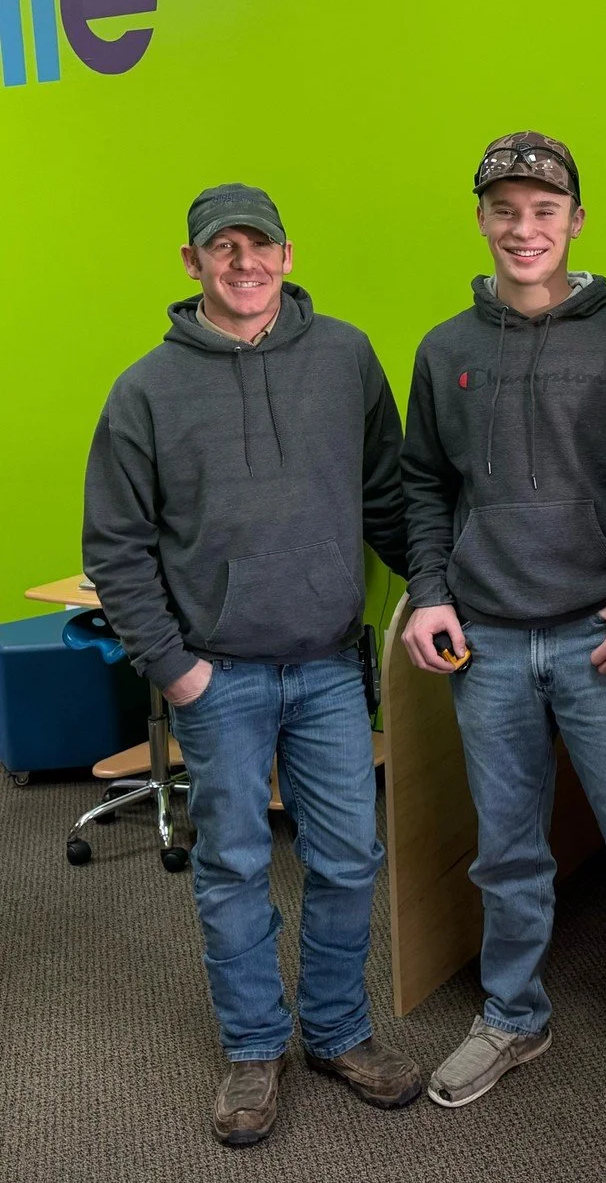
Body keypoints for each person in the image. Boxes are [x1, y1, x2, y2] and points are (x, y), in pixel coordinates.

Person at [82, 183, 422, 1147]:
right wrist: (175, 668)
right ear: (190, 262)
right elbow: (116, 545)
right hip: (216, 677)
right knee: (232, 865)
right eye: (221, 247)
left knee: (351, 857)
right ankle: (251, 1047)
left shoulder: (346, 357)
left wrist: (435, 585)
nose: (244, 262)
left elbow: (389, 496)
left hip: (325, 667)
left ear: (287, 252)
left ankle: (336, 1031)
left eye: (259, 245)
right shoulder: (145, 389)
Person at [399, 132, 606, 1148]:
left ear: (576, 218)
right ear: (481, 219)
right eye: (504, 209)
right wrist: (430, 593)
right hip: (484, 642)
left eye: (544, 209)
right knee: (509, 851)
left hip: (600, 640)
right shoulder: (445, 350)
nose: (523, 227)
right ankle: (513, 1015)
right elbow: (424, 485)